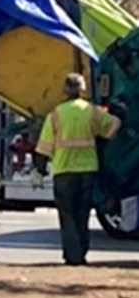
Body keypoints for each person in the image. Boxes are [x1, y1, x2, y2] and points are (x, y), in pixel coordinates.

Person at [35, 72, 121, 266]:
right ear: (83, 89)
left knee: (67, 214)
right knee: (82, 214)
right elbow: (114, 124)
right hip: (87, 169)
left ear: (65, 90)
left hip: (64, 170)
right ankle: (81, 254)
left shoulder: (56, 114)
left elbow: (44, 147)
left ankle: (72, 256)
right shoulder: (91, 111)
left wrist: (39, 171)